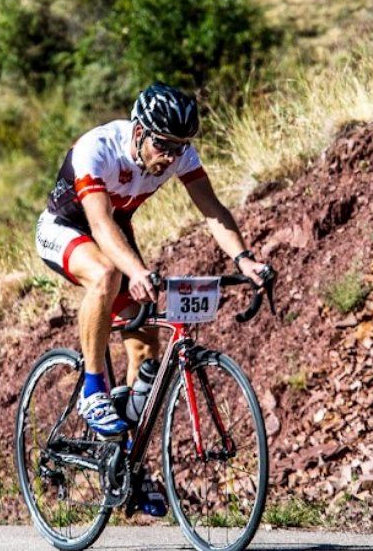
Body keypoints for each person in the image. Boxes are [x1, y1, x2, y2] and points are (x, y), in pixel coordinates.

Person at [34, 81, 272, 516]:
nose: (170, 156)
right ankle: (92, 389)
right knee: (103, 275)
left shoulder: (179, 154)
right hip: (68, 228)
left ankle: (124, 461)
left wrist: (243, 259)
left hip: (114, 231)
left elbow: (212, 210)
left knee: (145, 343)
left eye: (180, 147)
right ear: (140, 132)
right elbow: (101, 228)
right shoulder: (98, 149)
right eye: (163, 145)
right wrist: (136, 271)